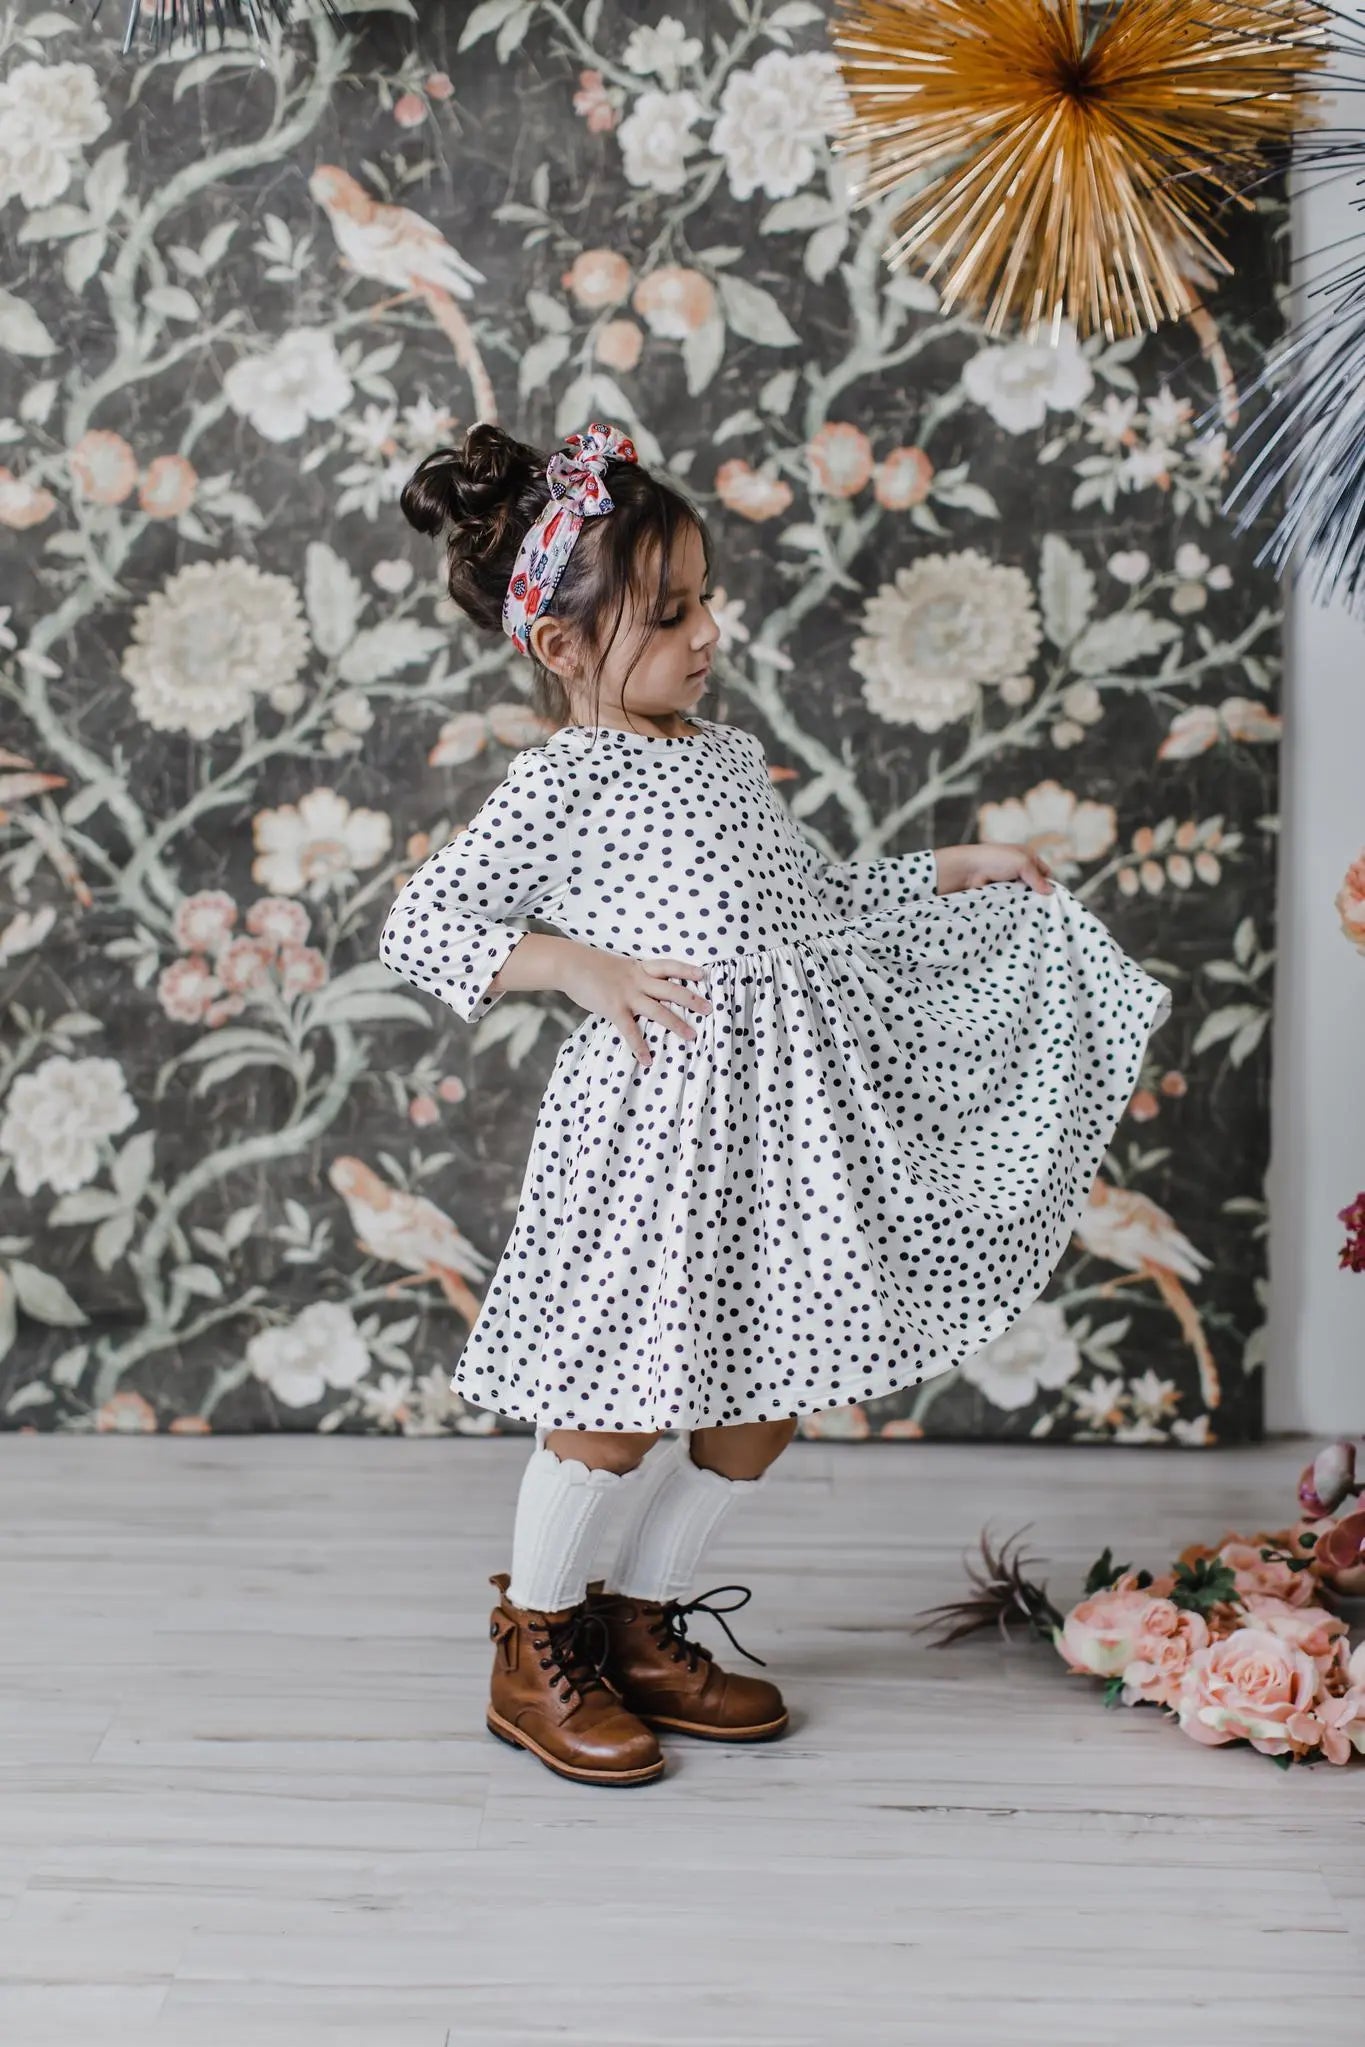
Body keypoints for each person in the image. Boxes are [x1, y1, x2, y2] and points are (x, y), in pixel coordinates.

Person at [379, 419, 1173, 1790]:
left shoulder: (723, 758)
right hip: (660, 1139)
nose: (706, 630)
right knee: (618, 1401)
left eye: (705, 598)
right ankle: (538, 1638)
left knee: (764, 1396)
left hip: (785, 1142)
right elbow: (425, 922)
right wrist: (573, 965)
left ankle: (639, 1617)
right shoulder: (566, 779)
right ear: (560, 647)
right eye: (670, 610)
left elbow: (815, 911)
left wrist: (948, 869)